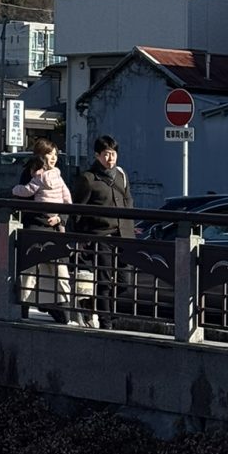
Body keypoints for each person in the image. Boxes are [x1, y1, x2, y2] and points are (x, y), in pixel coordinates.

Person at [71, 135, 135, 329]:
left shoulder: (121, 175)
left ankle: (106, 311)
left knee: (125, 281)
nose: (110, 158)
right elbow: (77, 210)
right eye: (106, 154)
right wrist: (82, 237)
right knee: (104, 281)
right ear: (97, 155)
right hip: (101, 235)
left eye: (113, 154)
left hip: (123, 235)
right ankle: (106, 321)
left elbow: (128, 201)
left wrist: (130, 225)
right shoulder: (89, 178)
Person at [12, 139, 73, 324]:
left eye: (55, 154)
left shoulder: (55, 174)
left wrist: (60, 218)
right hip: (37, 226)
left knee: (59, 270)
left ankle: (61, 310)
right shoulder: (31, 172)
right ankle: (24, 309)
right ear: (40, 155)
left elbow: (66, 199)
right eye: (49, 154)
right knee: (30, 271)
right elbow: (24, 199)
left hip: (52, 227)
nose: (53, 158)